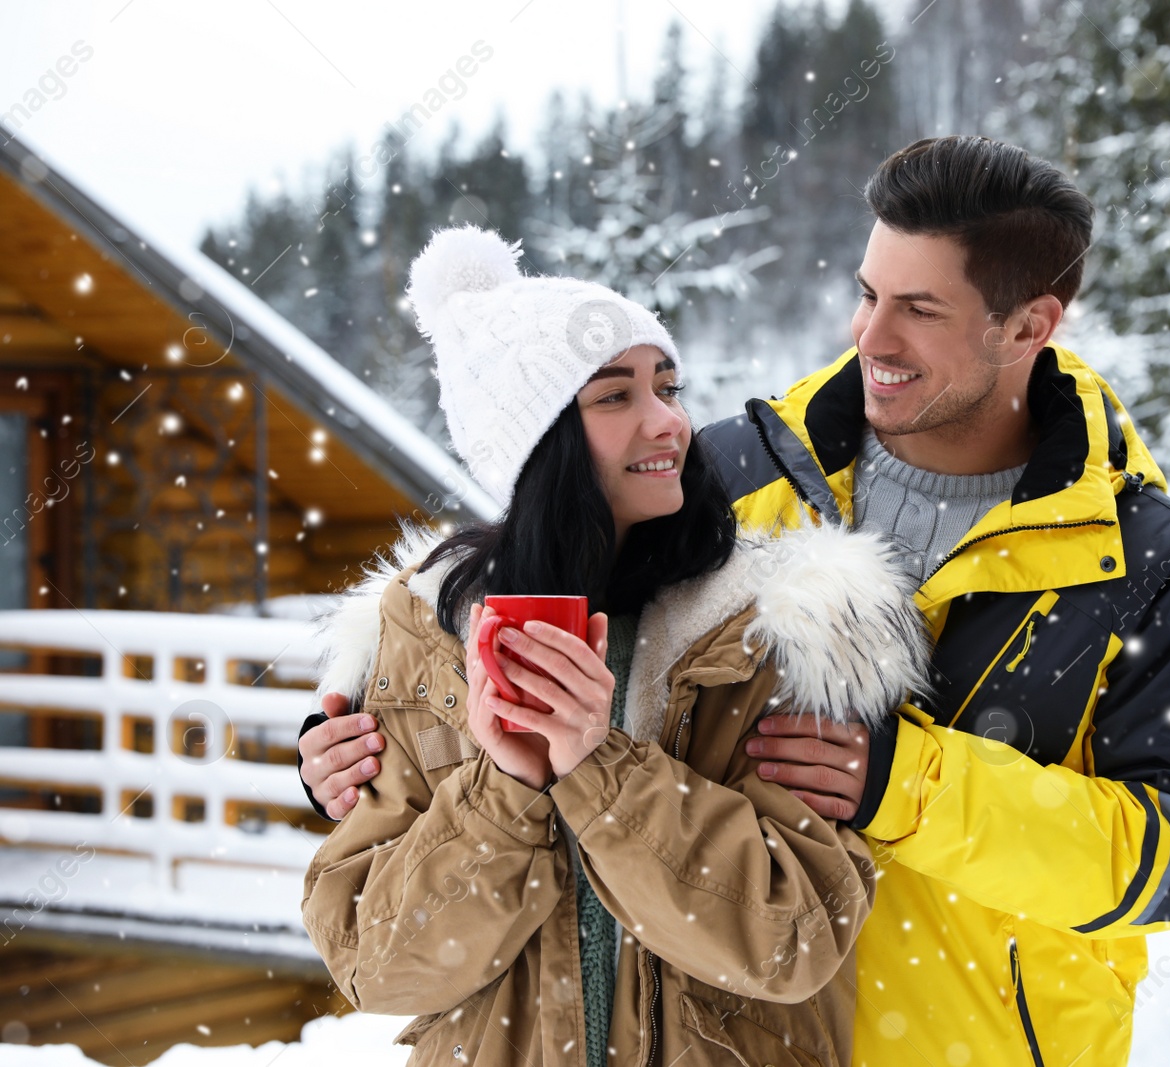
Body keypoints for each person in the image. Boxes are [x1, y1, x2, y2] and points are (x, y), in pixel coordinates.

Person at [302, 136, 1170, 1067]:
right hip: (741, 1028)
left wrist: (902, 784)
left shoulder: (1147, 562)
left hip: (970, 1040)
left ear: (1028, 325)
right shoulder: (726, 472)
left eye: (919, 308)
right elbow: (522, 557)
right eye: (867, 293)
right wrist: (352, 731)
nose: (870, 337)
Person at [299, 225, 930, 1067]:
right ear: (537, 444)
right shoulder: (428, 635)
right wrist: (509, 788)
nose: (668, 419)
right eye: (615, 396)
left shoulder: (774, 629)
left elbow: (793, 939)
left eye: (667, 386)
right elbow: (381, 966)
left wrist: (603, 769)